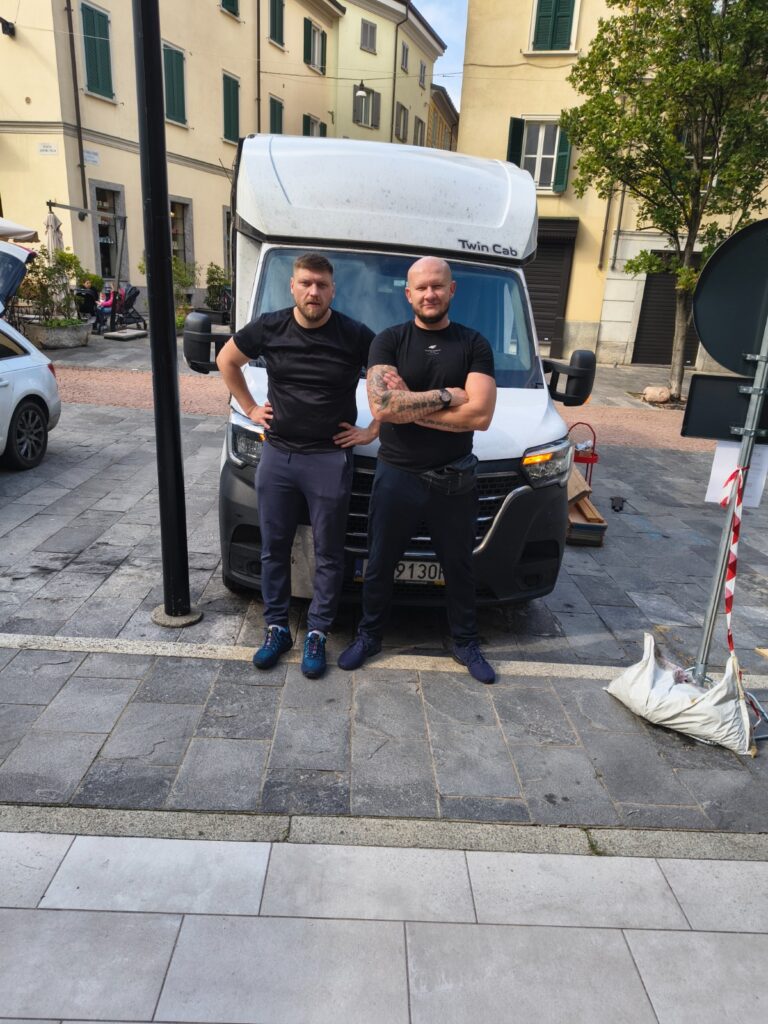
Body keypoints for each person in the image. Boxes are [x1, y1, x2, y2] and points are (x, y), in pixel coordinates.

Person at [338, 256, 498, 683]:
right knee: (379, 562)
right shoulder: (388, 341)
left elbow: (481, 416)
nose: (430, 294)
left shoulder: (474, 344)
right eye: (421, 287)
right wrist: (448, 396)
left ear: (451, 291)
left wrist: (409, 408)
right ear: (408, 294)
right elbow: (382, 407)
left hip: (454, 479)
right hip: (397, 475)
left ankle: (465, 642)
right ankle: (369, 636)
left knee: (459, 566)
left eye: (437, 286)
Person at [216, 252, 376, 679]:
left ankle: (318, 632)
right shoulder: (270, 326)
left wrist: (373, 429)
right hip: (279, 455)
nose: (313, 292)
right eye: (306, 283)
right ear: (293, 286)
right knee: (274, 549)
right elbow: (226, 361)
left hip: (329, 457)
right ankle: (276, 629)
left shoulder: (355, 334)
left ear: (332, 290)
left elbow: (391, 378)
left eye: (321, 285)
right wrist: (249, 407)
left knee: (328, 552)